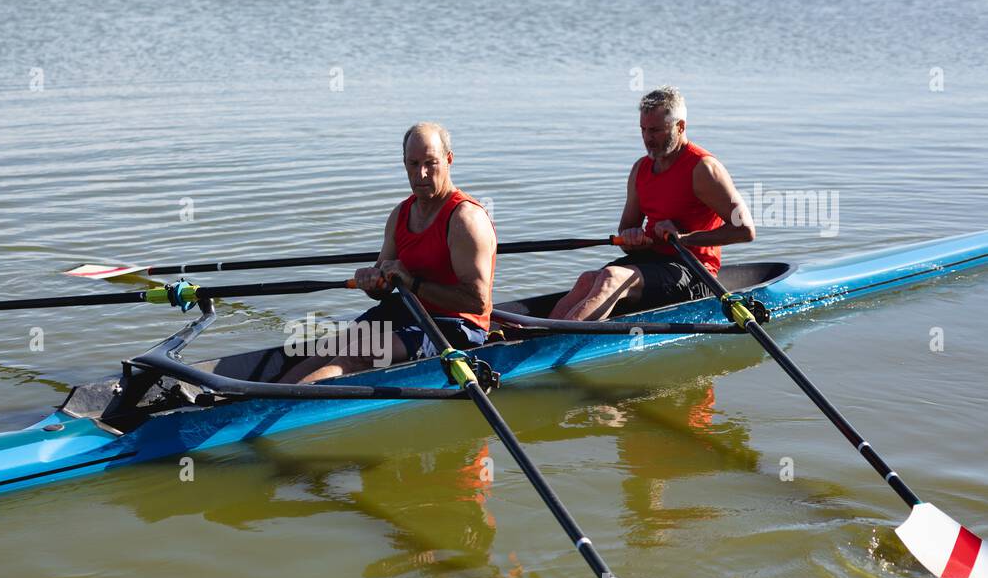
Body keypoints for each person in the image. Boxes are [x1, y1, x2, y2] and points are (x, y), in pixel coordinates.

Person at [282, 122, 497, 383]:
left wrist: (412, 283)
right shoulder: (401, 214)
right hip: (407, 311)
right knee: (326, 347)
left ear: (449, 160)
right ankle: (250, 402)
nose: (422, 174)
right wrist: (371, 282)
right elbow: (381, 288)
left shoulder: (465, 219)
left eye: (431, 163)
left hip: (455, 327)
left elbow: (477, 302)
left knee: (358, 354)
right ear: (404, 163)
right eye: (413, 164)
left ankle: (271, 413)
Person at [549, 87, 755, 320]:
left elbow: (745, 230)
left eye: (656, 130)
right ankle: (536, 337)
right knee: (587, 279)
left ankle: (555, 345)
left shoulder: (704, 169)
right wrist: (632, 239)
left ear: (680, 127)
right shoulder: (641, 169)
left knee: (610, 277)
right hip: (652, 261)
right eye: (643, 129)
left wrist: (685, 239)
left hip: (694, 272)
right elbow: (626, 231)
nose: (647, 138)